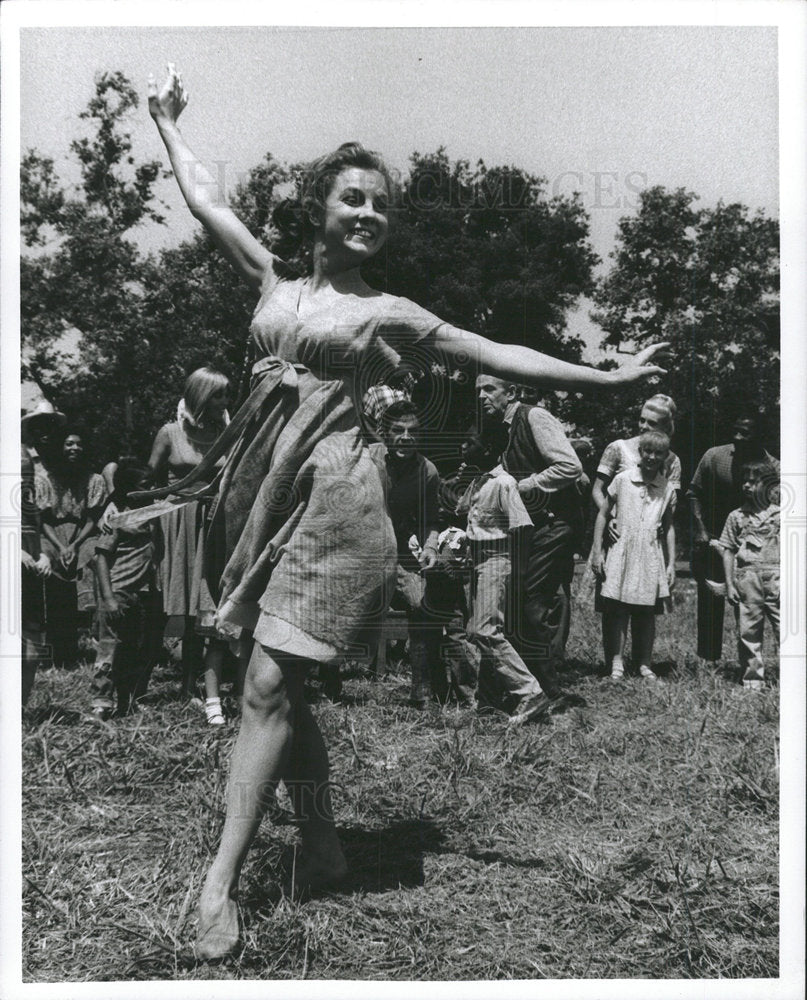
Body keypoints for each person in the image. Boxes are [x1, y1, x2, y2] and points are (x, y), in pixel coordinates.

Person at [145, 63, 667, 959]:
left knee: (267, 688)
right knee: (285, 692)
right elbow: (201, 198)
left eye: (380, 205)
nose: (367, 214)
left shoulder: (386, 311)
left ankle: (218, 885)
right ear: (317, 209)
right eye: (351, 198)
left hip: (340, 510)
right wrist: (165, 124)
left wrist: (608, 377)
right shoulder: (272, 283)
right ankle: (322, 842)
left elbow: (496, 352)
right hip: (258, 501)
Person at [476, 375, 583, 699]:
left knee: (532, 601)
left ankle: (549, 690)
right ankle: (523, 687)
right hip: (531, 527)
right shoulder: (500, 428)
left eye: (489, 389)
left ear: (511, 392)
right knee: (518, 602)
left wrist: (525, 486)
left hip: (555, 523)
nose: (481, 396)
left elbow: (569, 466)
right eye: (478, 391)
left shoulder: (534, 416)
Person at [147, 366, 233, 723]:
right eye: (218, 395)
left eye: (226, 395)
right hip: (174, 521)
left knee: (202, 604)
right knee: (167, 604)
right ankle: (136, 682)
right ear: (200, 396)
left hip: (210, 523)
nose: (225, 402)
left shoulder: (225, 433)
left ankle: (188, 684)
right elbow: (148, 476)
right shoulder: (170, 432)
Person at [455, 430, 552, 722]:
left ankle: (529, 692)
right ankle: (489, 700)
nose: (462, 446)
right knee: (476, 631)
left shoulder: (504, 483)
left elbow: (522, 527)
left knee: (486, 630)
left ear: (487, 451)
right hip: (478, 561)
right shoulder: (477, 482)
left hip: (498, 560)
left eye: (469, 443)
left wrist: (519, 572)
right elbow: (459, 510)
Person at [590, 394, 680, 675]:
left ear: (665, 426)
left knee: (646, 605)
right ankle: (614, 661)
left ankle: (643, 661)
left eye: (652, 422)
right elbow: (598, 491)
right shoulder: (618, 448)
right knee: (615, 603)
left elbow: (666, 512)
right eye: (641, 418)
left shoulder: (672, 460)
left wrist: (670, 560)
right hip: (618, 537)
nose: (643, 425)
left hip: (649, 542)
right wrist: (612, 523)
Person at [368, 400, 445, 706]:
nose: (405, 437)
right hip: (361, 549)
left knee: (420, 602)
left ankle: (423, 690)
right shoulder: (367, 459)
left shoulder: (427, 471)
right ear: (383, 433)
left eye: (412, 431)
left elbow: (431, 522)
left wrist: (429, 549)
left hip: (399, 553)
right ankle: (328, 681)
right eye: (397, 430)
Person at [686, 416, 779, 663]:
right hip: (715, 539)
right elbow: (694, 493)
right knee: (710, 600)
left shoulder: (773, 468)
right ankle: (708, 660)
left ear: (759, 436)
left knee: (748, 607)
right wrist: (700, 529)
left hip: (754, 550)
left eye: (745, 433)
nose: (737, 438)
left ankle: (747, 664)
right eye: (735, 432)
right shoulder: (714, 456)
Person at [91, 461, 165, 719]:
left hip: (141, 593)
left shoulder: (151, 513)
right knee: (109, 647)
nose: (153, 489)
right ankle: (101, 701)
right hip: (118, 591)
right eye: (146, 486)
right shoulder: (117, 518)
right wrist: (108, 597)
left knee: (133, 648)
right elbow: (100, 557)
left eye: (154, 484)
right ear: (129, 489)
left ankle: (127, 699)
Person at [36, 429, 107, 670]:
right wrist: (61, 546)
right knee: (50, 568)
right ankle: (56, 648)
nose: (74, 448)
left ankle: (96, 636)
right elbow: (42, 520)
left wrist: (75, 545)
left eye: (78, 444)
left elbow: (93, 518)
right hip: (53, 534)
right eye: (68, 444)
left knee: (94, 558)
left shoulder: (94, 480)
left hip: (83, 534)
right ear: (60, 448)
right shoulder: (46, 479)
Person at [719, 460, 780, 690]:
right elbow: (728, 551)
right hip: (747, 579)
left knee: (784, 629)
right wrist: (729, 583)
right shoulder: (736, 516)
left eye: (753, 482)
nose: (746, 486)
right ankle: (753, 680)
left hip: (778, 578)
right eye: (744, 481)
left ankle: (794, 679)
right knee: (748, 631)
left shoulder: (781, 515)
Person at [21, 440, 52, 705]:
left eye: (27, 474)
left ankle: (19, 707)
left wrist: (43, 556)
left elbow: (39, 540)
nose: (23, 479)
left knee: (31, 654)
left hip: (29, 582)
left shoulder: (30, 507)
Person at [361, 360, 421, 440]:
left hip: (405, 437)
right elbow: (365, 419)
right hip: (384, 439)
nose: (414, 380)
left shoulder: (407, 391)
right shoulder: (375, 391)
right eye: (412, 376)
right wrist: (379, 440)